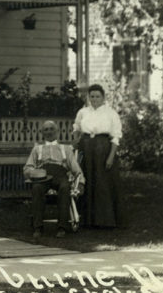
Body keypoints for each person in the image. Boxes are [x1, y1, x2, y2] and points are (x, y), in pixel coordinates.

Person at [72, 83, 123, 228]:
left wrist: (111, 157)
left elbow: (115, 137)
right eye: (92, 96)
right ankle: (86, 220)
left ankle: (104, 221)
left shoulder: (110, 113)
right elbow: (76, 128)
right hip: (86, 149)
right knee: (85, 182)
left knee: (102, 184)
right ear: (88, 97)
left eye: (97, 96)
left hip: (103, 150)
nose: (94, 99)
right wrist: (76, 139)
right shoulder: (83, 112)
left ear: (103, 97)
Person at [23, 120, 84, 238]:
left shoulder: (65, 149)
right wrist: (33, 172)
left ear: (57, 132)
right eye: (46, 129)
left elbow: (77, 170)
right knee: (36, 188)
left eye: (51, 129)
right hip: (43, 175)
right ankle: (38, 227)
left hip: (60, 174)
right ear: (42, 133)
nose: (49, 132)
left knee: (65, 187)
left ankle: (62, 227)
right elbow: (27, 167)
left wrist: (81, 183)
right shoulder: (37, 149)